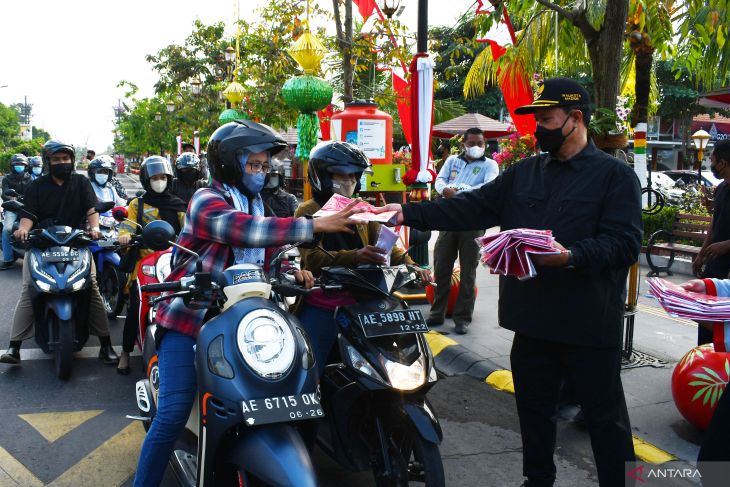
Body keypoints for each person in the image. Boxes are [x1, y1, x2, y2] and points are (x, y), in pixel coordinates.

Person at [371, 78, 640, 487]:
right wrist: (409, 214)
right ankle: (537, 479)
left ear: (575, 119)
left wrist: (570, 256)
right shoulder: (525, 173)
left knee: (606, 422)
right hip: (532, 321)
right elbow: (472, 207)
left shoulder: (614, 177)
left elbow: (623, 244)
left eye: (547, 119)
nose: (539, 129)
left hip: (588, 324)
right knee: (533, 413)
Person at [132, 120, 358, 487]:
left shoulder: (256, 201)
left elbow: (270, 251)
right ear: (230, 164)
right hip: (192, 317)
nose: (261, 171)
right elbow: (246, 231)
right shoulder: (207, 199)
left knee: (296, 390)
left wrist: (292, 268)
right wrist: (313, 225)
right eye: (254, 164)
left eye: (264, 165)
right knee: (172, 413)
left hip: (248, 323)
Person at [294, 141, 431, 368]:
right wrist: (357, 256)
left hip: (366, 296)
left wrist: (413, 266)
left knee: (393, 363)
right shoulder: (308, 211)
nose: (349, 182)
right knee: (309, 367)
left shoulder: (362, 207)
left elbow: (387, 246)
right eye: (341, 176)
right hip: (325, 299)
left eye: (353, 176)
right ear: (322, 177)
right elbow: (312, 259)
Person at [0, 140, 119, 365]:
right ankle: (14, 347)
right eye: (56, 159)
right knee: (29, 289)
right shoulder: (37, 186)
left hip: (76, 243)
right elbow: (28, 215)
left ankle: (106, 345)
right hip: (42, 243)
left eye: (65, 159)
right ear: (48, 162)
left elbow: (91, 209)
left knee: (92, 287)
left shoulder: (82, 182)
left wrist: (94, 228)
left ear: (72, 161)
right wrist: (23, 230)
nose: (61, 162)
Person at [116, 156, 187, 375]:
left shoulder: (178, 204)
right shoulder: (137, 204)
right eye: (155, 178)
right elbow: (126, 226)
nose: (159, 181)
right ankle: (126, 352)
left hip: (173, 263)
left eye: (163, 177)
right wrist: (125, 236)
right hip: (145, 264)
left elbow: (188, 229)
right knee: (137, 306)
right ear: (147, 180)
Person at [429, 127, 499, 334]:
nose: (476, 147)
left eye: (480, 143)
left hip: (473, 223)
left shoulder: (490, 165)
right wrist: (444, 190)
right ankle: (436, 312)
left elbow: (488, 187)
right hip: (449, 220)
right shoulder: (452, 161)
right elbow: (439, 181)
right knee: (441, 267)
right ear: (464, 144)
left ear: (485, 145)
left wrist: (459, 192)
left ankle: (462, 318)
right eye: (472, 143)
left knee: (468, 271)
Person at [692, 140, 730, 345]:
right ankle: (706, 370)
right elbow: (714, 223)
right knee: (706, 320)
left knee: (724, 327)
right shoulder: (721, 189)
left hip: (728, 273)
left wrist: (725, 245)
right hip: (715, 266)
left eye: (713, 160)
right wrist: (702, 253)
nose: (711, 164)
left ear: (723, 163)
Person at [1, 154, 32, 270]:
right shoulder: (7, 179)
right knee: (7, 229)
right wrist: (12, 200)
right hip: (12, 208)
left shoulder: (30, 178)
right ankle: (8, 259)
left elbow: (35, 193)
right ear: (12, 166)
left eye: (22, 164)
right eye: (17, 164)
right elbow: (4, 194)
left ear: (26, 166)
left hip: (27, 208)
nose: (19, 166)